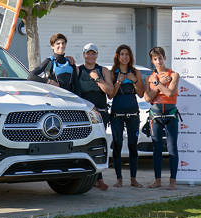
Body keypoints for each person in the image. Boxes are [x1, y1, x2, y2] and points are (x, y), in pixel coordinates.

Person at [77, 43, 113, 191]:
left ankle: (99, 178)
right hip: (83, 115)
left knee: (97, 146)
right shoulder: (78, 70)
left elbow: (110, 92)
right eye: (88, 53)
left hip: (100, 114)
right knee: (82, 145)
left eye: (93, 53)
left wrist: (97, 79)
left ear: (97, 55)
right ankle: (84, 177)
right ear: (84, 54)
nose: (90, 56)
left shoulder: (103, 70)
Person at [144, 46, 180, 190]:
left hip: (171, 114)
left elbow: (170, 93)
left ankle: (172, 182)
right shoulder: (149, 78)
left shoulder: (174, 75)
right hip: (156, 115)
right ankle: (157, 180)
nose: (158, 61)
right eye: (155, 59)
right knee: (157, 149)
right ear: (152, 61)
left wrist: (158, 85)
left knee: (172, 148)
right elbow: (147, 98)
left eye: (160, 58)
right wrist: (159, 85)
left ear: (164, 58)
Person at [108, 44, 144, 188]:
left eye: (127, 54)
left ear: (130, 57)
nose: (125, 57)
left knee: (132, 145)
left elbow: (141, 93)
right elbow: (110, 95)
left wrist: (133, 80)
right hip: (117, 113)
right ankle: (119, 179)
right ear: (118, 56)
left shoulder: (136, 72)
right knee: (117, 144)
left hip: (133, 113)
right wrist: (118, 81)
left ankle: (134, 179)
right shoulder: (112, 72)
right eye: (122, 54)